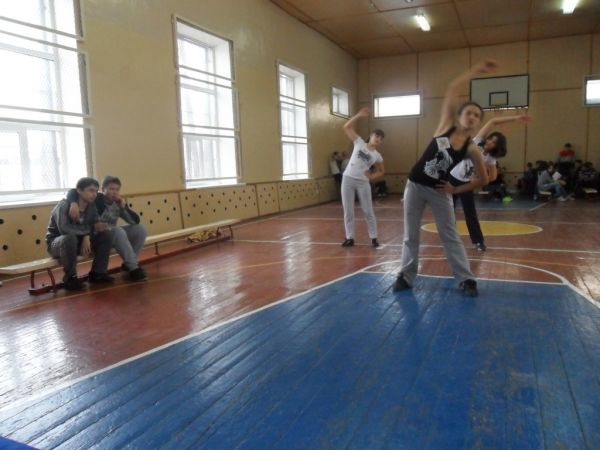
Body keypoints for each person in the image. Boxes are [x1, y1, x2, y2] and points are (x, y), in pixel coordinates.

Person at [393, 59, 497, 297]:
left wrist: (456, 190)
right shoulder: (445, 126)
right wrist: (476, 70)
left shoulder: (471, 149)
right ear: (460, 116)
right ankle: (405, 276)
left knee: (450, 235)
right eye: (469, 112)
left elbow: (483, 180)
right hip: (415, 186)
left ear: (478, 122)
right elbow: (452, 89)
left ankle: (466, 279)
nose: (472, 117)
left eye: (477, 115)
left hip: (440, 191)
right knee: (411, 235)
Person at [450, 114, 530, 251]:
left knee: (470, 213)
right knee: (448, 211)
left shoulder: (490, 158)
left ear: (497, 147)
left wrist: (477, 180)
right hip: (451, 178)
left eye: (494, 142)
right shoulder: (477, 141)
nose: (490, 142)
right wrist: (514, 118)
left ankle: (478, 242)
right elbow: (493, 121)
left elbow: (492, 177)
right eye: (490, 139)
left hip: (466, 184)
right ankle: (450, 240)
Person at [67, 176, 147, 281]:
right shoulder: (96, 198)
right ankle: (134, 268)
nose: (115, 192)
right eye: (111, 189)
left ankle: (128, 265)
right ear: (102, 189)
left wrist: (124, 207)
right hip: (97, 236)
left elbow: (134, 221)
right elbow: (73, 191)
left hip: (113, 234)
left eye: (117, 189)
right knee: (117, 230)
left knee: (140, 229)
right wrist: (73, 203)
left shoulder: (117, 203)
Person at [46, 177, 114, 291]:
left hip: (79, 242)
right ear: (79, 190)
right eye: (91, 190)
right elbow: (64, 229)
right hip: (57, 243)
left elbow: (95, 223)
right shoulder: (64, 205)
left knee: (106, 235)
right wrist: (86, 234)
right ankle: (70, 278)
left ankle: (98, 273)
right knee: (69, 238)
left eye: (96, 191)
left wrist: (100, 226)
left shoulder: (91, 206)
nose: (94, 194)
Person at [340, 107, 385, 248]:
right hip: (347, 179)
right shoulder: (359, 142)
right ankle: (349, 238)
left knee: (368, 210)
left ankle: (374, 238)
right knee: (348, 211)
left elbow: (382, 171)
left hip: (363, 183)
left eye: (381, 139)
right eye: (376, 136)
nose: (378, 139)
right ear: (371, 136)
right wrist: (359, 115)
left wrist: (372, 176)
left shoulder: (377, 156)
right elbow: (346, 127)